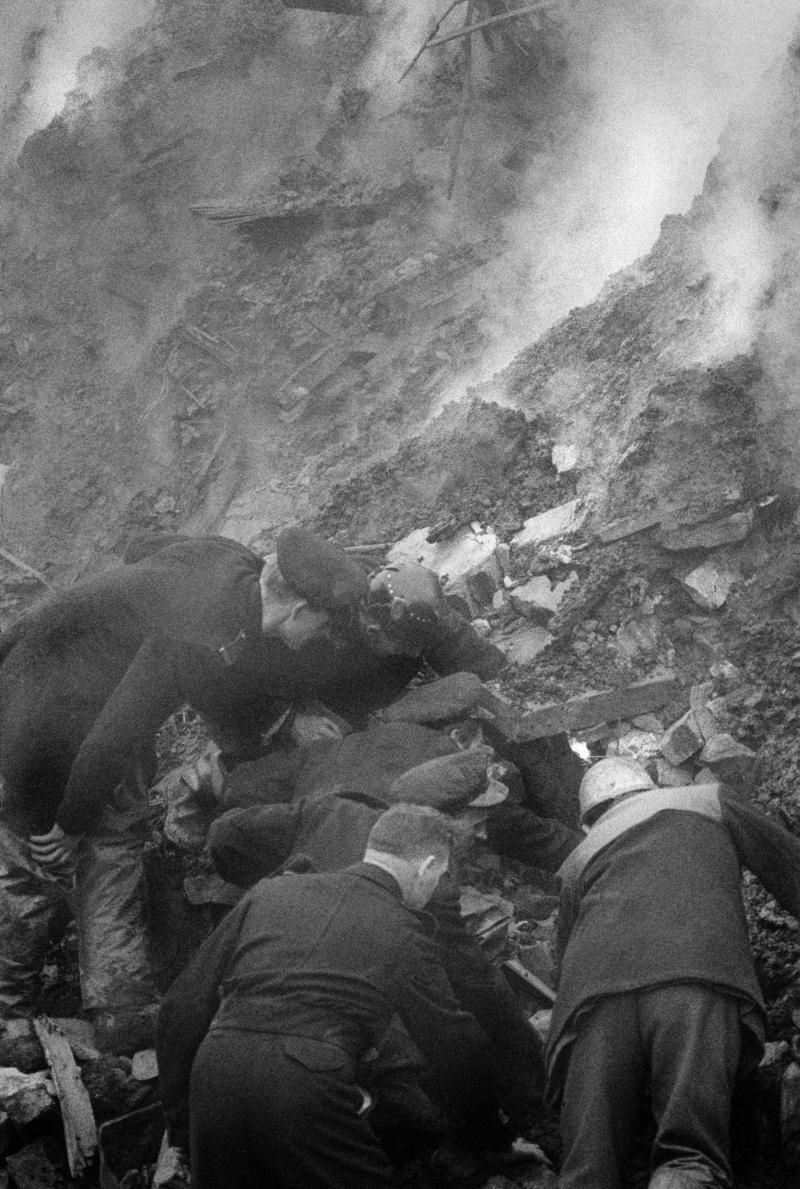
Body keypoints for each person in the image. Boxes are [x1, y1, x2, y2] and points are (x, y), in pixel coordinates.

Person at [0, 527, 503, 1046]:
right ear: (298, 610)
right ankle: (14, 1012)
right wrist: (67, 822)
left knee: (112, 844)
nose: (328, 637)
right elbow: (117, 732)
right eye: (324, 626)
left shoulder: (245, 572)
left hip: (61, 672)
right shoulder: (195, 636)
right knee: (39, 861)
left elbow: (146, 544)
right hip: (46, 714)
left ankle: (118, 1008)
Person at [156, 804, 529, 1188]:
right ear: (427, 866)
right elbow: (453, 1042)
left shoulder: (272, 891)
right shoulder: (403, 928)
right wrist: (492, 1138)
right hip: (307, 1082)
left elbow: (179, 1008)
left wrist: (183, 1130)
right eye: (440, 874)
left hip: (215, 1072)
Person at [546, 756, 800, 1189]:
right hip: (694, 973)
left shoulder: (577, 857)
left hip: (593, 997)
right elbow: (787, 863)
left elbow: (564, 955)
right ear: (649, 787)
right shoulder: (706, 799)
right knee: (689, 1154)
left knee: (587, 1167)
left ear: (589, 819)